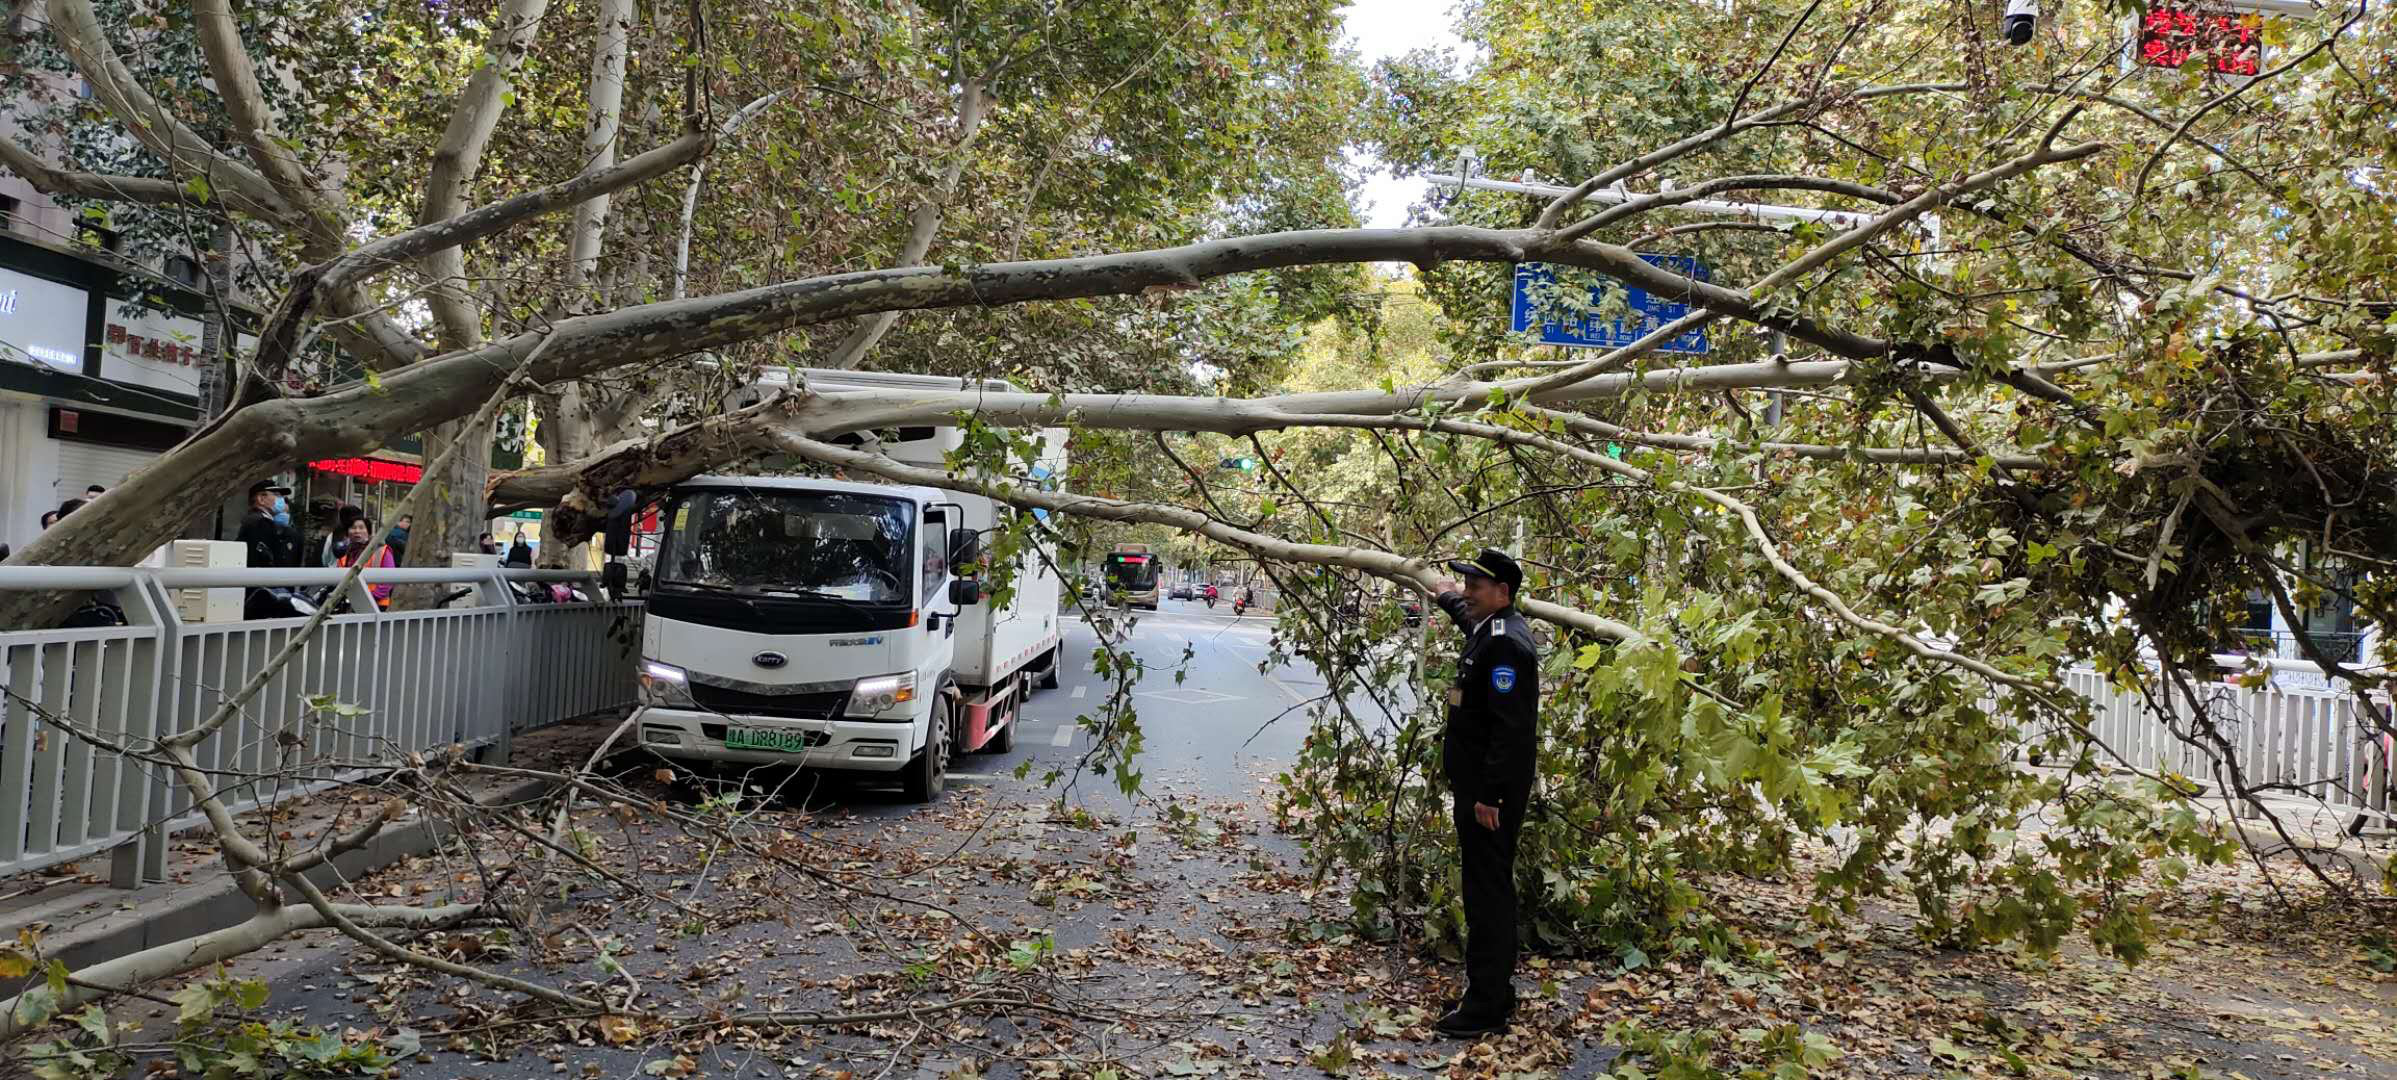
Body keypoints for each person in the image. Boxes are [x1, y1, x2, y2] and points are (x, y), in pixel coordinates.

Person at [1427, 548, 1540, 1038]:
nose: (1467, 593)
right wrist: (1446, 596)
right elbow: (1467, 619)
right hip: (1479, 791)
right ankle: (1496, 990)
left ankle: (1485, 1006)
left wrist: (1489, 796)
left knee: (1486, 895)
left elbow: (1511, 731)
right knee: (1488, 887)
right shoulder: (1489, 629)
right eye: (1465, 585)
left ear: (1503, 593)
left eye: (1475, 586)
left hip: (1489, 798)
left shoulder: (1508, 647)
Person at [335, 516, 396, 609]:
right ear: (347, 532)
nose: (357, 531)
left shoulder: (381, 550)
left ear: (368, 531)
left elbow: (389, 578)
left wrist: (371, 596)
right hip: (349, 604)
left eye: (361, 527)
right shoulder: (344, 553)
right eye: (353, 528)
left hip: (376, 603)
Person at [237, 481, 298, 569]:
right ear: (261, 499)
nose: (282, 500)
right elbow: (262, 559)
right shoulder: (261, 523)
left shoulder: (254, 519)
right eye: (276, 495)